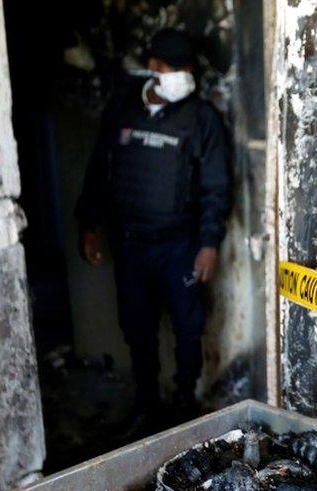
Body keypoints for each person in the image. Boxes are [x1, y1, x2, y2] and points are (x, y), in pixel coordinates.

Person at [76, 29, 230, 437]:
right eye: (172, 68)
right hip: (130, 244)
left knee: (188, 327)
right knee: (138, 327)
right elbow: (99, 171)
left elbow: (217, 187)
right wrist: (88, 225)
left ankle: (184, 406)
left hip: (180, 245)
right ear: (154, 69)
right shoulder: (124, 110)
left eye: (187, 69)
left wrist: (209, 244)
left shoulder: (202, 119)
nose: (181, 76)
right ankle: (147, 404)